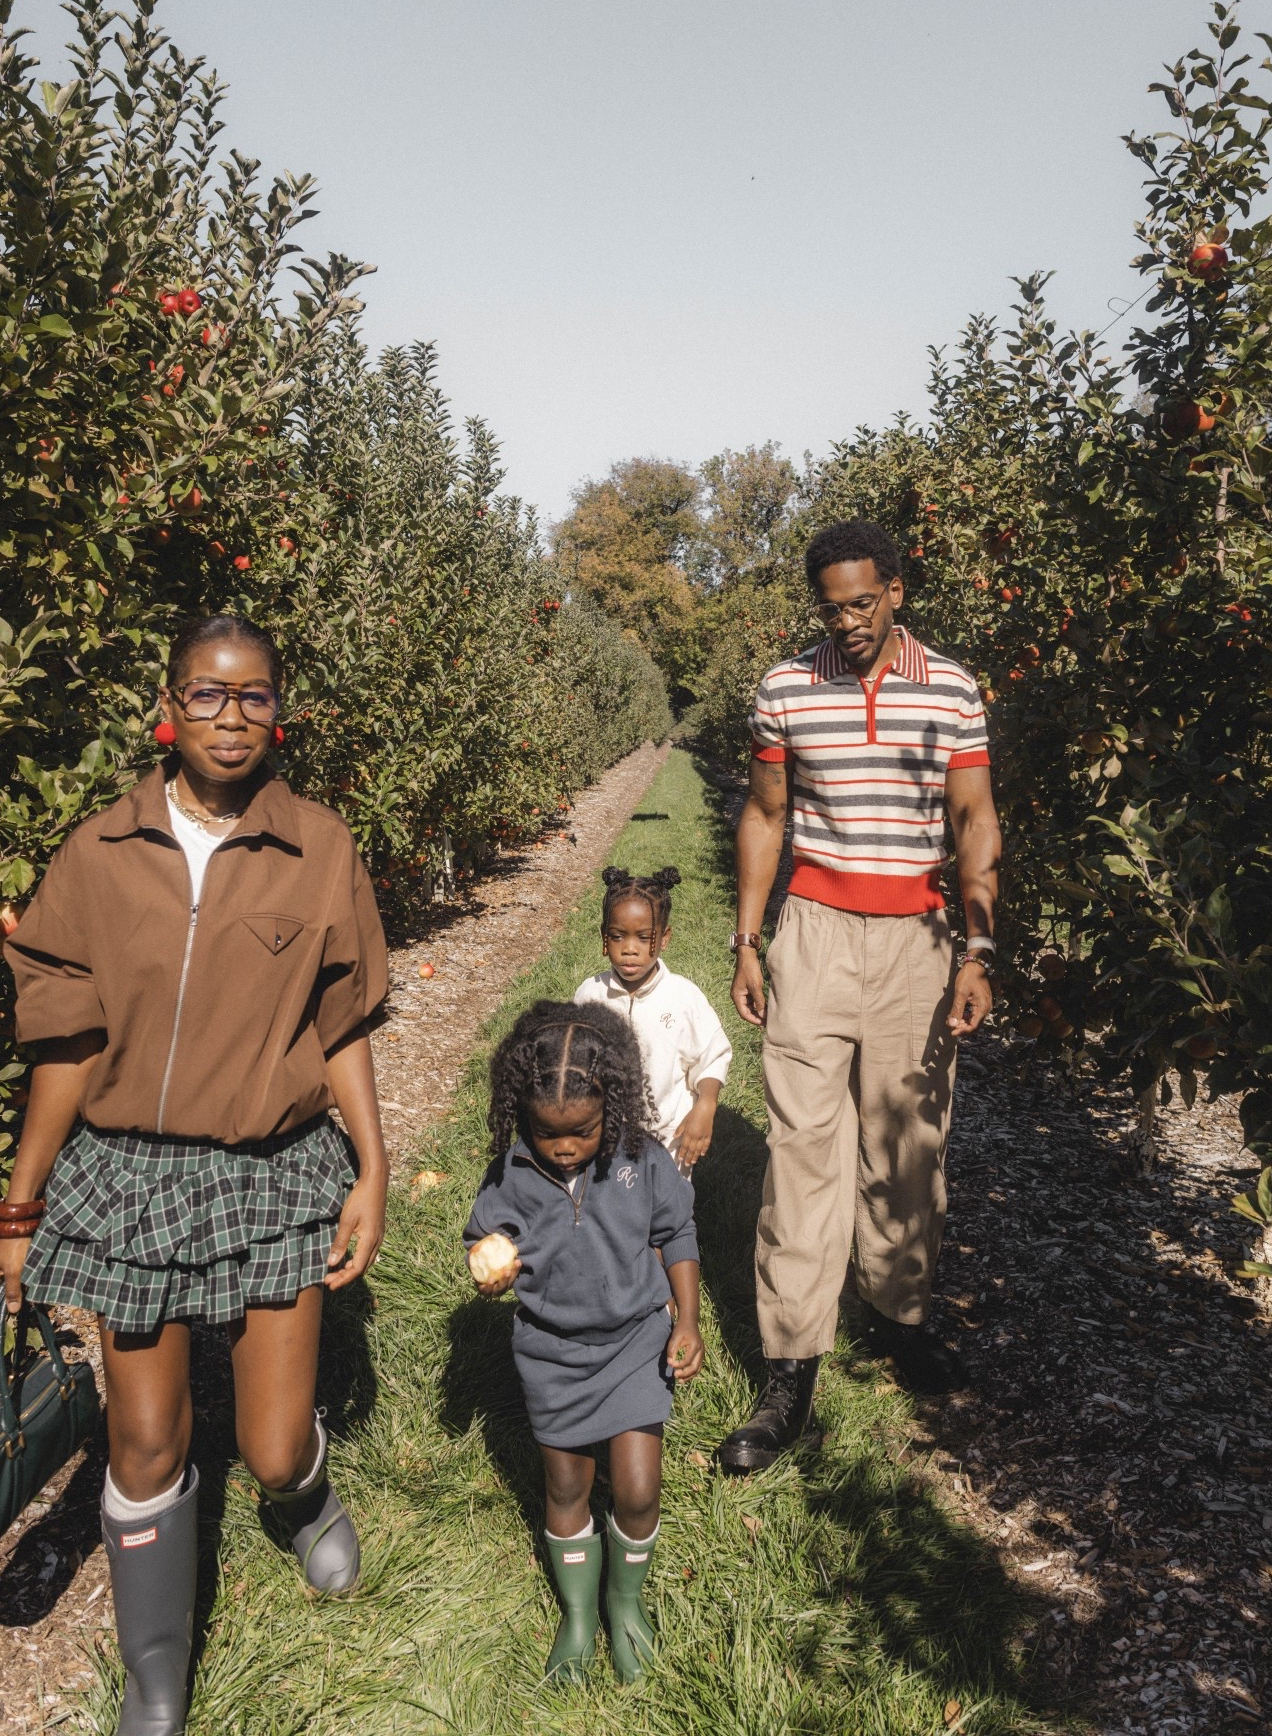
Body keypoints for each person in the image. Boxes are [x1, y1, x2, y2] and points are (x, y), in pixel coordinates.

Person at [0, 614, 389, 1736]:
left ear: (279, 709)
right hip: (131, 1174)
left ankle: (301, 1495)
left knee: (264, 1439)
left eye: (254, 695)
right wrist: (19, 1209)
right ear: (169, 703)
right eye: (207, 694)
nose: (230, 716)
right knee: (145, 1437)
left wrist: (373, 1160)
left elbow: (343, 1019)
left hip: (270, 1165)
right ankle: (158, 1679)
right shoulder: (100, 852)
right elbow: (62, 1044)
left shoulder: (318, 847)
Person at [716, 518, 1001, 1475]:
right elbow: (765, 814)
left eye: (864, 603)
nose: (848, 622)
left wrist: (978, 946)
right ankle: (790, 1364)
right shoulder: (787, 689)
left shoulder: (953, 689)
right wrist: (749, 941)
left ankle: (899, 1316)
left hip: (920, 940)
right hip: (817, 934)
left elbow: (972, 817)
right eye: (831, 608)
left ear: (897, 591)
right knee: (802, 1150)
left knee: (908, 1145)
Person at [464, 1000, 703, 1684]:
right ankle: (576, 1617)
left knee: (635, 1488)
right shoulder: (511, 1172)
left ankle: (624, 1606)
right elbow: (483, 1239)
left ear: (614, 1107)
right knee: (566, 1487)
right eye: (546, 1134)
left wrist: (686, 1320)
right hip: (551, 1353)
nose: (564, 1148)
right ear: (522, 1116)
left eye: (582, 1132)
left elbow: (676, 1236)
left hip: (633, 1342)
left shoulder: (640, 1158)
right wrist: (490, 1265)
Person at [571, 865, 732, 1173]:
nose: (630, 949)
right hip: (600, 1139)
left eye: (644, 938)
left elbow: (713, 1057)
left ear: (664, 938)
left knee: (663, 1216)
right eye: (618, 936)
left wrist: (706, 1106)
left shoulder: (683, 997)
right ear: (605, 938)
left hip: (668, 1143)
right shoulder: (590, 994)